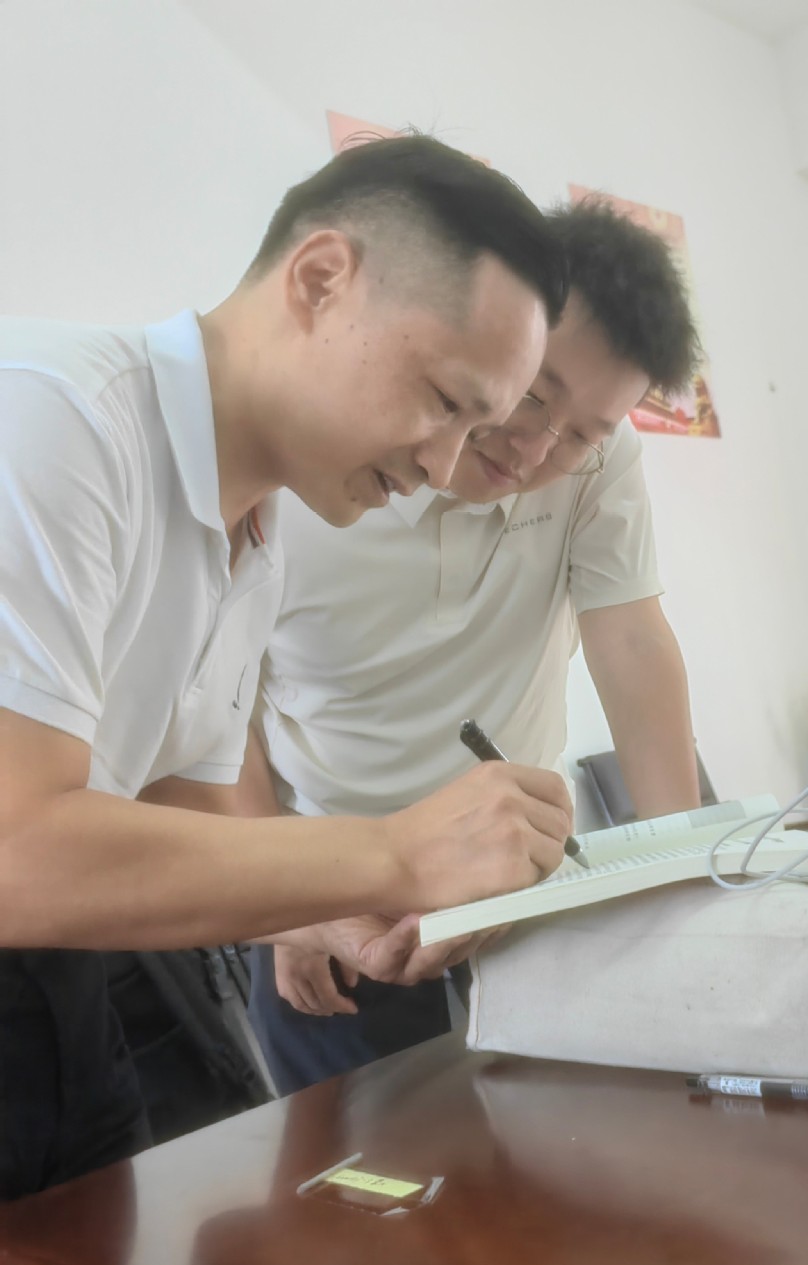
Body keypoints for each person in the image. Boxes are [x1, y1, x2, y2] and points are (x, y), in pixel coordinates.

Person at [0, 134, 575, 1201]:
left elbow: (180, 802)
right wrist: (391, 853)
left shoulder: (258, 532)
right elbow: (15, 849)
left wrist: (332, 911)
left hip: (64, 996)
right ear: (319, 279)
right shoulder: (49, 420)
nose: (441, 466)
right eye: (444, 401)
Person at [243, 198, 705, 1093]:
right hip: (339, 884)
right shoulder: (310, 476)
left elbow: (631, 641)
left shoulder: (596, 463)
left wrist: (682, 875)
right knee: (370, 1161)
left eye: (584, 432)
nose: (537, 448)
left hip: (514, 875)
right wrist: (285, 903)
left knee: (569, 1135)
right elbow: (223, 712)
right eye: (533, 394)